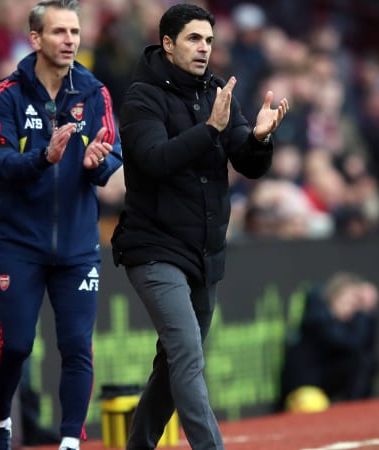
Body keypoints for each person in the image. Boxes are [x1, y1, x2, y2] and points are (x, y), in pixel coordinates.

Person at [110, 4, 289, 449]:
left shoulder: (215, 91)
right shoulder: (140, 97)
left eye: (208, 40)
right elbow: (154, 160)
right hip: (153, 247)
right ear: (168, 44)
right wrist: (210, 129)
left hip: (205, 252)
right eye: (193, 39)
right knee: (187, 352)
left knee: (173, 363)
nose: (203, 48)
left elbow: (247, 162)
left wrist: (260, 138)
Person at [0, 1, 123, 450]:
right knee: (18, 345)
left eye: (75, 31)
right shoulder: (5, 95)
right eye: (59, 31)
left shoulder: (95, 92)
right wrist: (45, 157)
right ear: (36, 38)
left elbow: (110, 159)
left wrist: (97, 163)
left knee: (77, 347)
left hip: (79, 247)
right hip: (20, 244)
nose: (70, 40)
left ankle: (69, 442)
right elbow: (0, 163)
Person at [280, 272, 379, 409]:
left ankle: (358, 407)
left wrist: (366, 312)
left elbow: (365, 348)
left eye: (355, 304)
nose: (351, 308)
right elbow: (351, 343)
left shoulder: (347, 321)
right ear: (334, 297)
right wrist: (363, 313)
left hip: (324, 382)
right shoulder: (317, 316)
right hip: (303, 388)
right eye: (347, 301)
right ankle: (354, 409)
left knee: (366, 362)